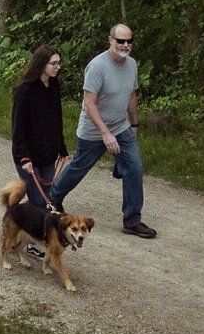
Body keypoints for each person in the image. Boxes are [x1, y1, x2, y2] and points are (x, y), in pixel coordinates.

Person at [49, 23, 156, 238]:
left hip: (121, 126)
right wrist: (105, 134)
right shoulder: (97, 66)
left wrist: (134, 125)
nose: (125, 45)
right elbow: (89, 104)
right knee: (80, 167)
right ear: (110, 40)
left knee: (135, 167)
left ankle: (132, 220)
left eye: (128, 41)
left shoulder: (132, 65)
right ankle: (53, 198)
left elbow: (132, 97)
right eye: (120, 41)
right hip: (94, 130)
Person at [10, 45, 67, 211]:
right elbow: (18, 127)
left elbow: (57, 118)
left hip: (48, 155)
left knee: (47, 200)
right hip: (28, 156)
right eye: (54, 63)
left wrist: (61, 148)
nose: (58, 67)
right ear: (42, 65)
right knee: (39, 202)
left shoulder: (54, 86)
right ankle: (23, 227)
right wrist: (24, 158)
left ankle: (35, 232)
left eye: (59, 63)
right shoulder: (25, 91)